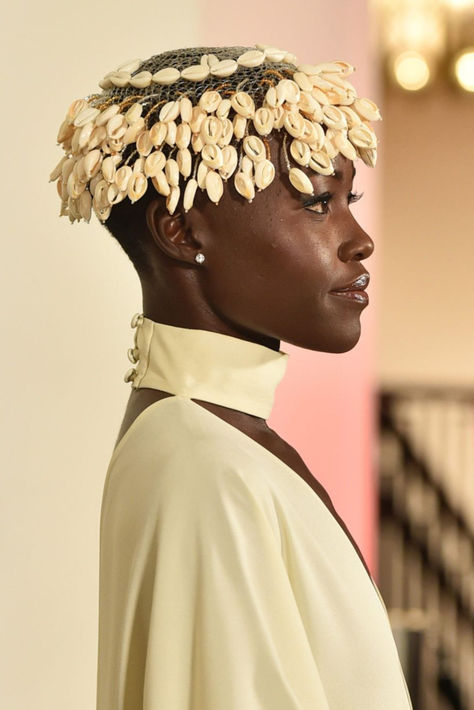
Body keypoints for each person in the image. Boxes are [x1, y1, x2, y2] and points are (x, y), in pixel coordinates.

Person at [50, 44, 413, 709]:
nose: (358, 238)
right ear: (182, 233)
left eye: (347, 197)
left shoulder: (211, 444)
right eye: (314, 202)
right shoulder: (205, 468)